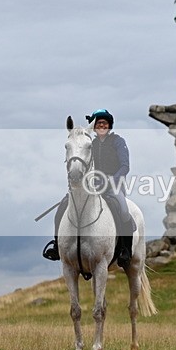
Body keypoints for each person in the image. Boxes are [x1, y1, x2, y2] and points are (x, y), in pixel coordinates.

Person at [42, 109, 136, 268]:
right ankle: (57, 246)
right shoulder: (89, 144)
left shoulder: (118, 142)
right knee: (63, 206)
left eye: (104, 123)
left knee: (123, 209)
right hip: (91, 186)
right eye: (99, 123)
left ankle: (125, 250)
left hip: (113, 186)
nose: (102, 125)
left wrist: (111, 179)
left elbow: (125, 167)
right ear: (94, 126)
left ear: (109, 125)